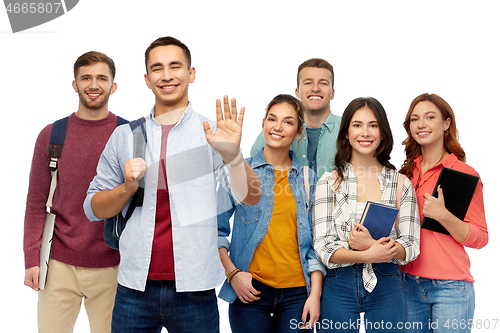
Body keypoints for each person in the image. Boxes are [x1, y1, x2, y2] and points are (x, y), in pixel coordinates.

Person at [84, 36, 262, 333]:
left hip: (195, 290)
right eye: (157, 68)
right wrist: (127, 188)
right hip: (133, 289)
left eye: (175, 66)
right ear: (147, 79)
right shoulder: (126, 136)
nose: (166, 75)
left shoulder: (214, 134)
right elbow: (92, 208)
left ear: (191, 74)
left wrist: (233, 156)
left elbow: (251, 197)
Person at [23, 51, 121, 333]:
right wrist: (31, 259)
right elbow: (36, 204)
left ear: (113, 86)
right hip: (57, 264)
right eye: (86, 78)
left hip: (113, 264)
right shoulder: (52, 135)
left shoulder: (128, 133)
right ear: (75, 84)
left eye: (102, 78)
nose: (94, 85)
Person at [217, 94, 325, 332]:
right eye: (272, 119)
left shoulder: (309, 179)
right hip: (250, 291)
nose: (277, 127)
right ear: (263, 123)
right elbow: (217, 230)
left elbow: (318, 245)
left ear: (298, 132)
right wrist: (233, 274)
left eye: (287, 122)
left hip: (297, 294)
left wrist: (315, 296)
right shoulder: (238, 170)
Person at [313, 97, 420, 332]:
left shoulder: (400, 183)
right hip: (338, 282)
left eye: (373, 125)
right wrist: (368, 253)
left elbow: (411, 245)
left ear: (382, 133)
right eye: (357, 125)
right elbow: (323, 246)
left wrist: (372, 245)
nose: (365, 132)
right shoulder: (328, 182)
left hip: (387, 283)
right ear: (346, 134)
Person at [399, 93, 488, 333]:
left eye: (430, 117)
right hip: (407, 285)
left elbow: (481, 237)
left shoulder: (463, 173)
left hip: (451, 288)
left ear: (446, 123)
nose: (421, 124)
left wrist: (443, 215)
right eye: (415, 119)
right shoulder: (405, 173)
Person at [250, 58, 341, 176]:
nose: (315, 88)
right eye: (308, 82)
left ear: (333, 93)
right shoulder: (275, 131)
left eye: (323, 83)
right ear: (297, 91)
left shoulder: (347, 129)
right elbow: (252, 169)